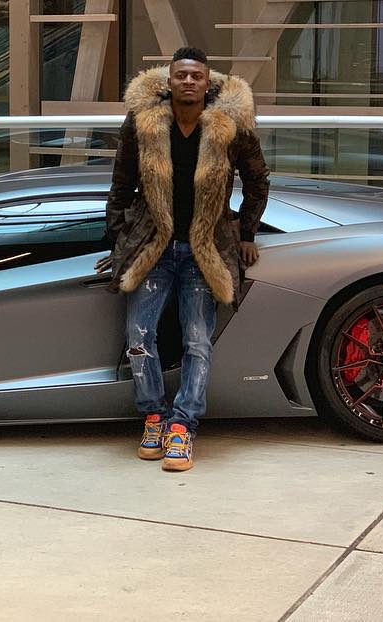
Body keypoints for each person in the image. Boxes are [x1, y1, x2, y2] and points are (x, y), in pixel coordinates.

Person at [98, 46, 270, 471]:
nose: (189, 82)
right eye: (181, 75)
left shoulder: (229, 124)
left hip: (204, 248)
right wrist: (118, 241)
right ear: (169, 80)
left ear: (207, 81)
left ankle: (184, 425)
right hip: (153, 246)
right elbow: (120, 183)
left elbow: (258, 180)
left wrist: (246, 233)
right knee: (139, 337)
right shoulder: (144, 122)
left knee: (197, 340)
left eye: (196, 76)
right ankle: (154, 415)